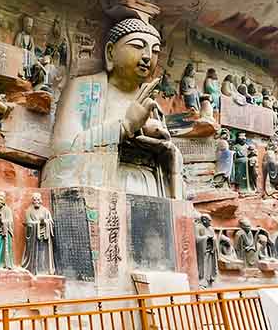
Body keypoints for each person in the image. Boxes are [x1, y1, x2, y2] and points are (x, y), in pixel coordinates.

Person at [43, 18, 183, 200]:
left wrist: (166, 147)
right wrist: (124, 127)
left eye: (155, 51)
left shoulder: (150, 102)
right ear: (110, 52)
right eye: (138, 46)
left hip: (150, 186)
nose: (148, 56)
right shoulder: (83, 88)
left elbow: (168, 164)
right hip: (109, 184)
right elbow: (62, 150)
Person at [21, 193, 55, 275]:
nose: (36, 201)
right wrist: (37, 223)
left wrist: (45, 222)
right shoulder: (29, 211)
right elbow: (28, 222)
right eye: (35, 200)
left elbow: (51, 222)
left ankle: (43, 268)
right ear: (33, 201)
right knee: (35, 252)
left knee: (43, 252)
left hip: (44, 235)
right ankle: (34, 267)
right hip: (34, 237)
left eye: (38, 199)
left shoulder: (46, 211)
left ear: (41, 200)